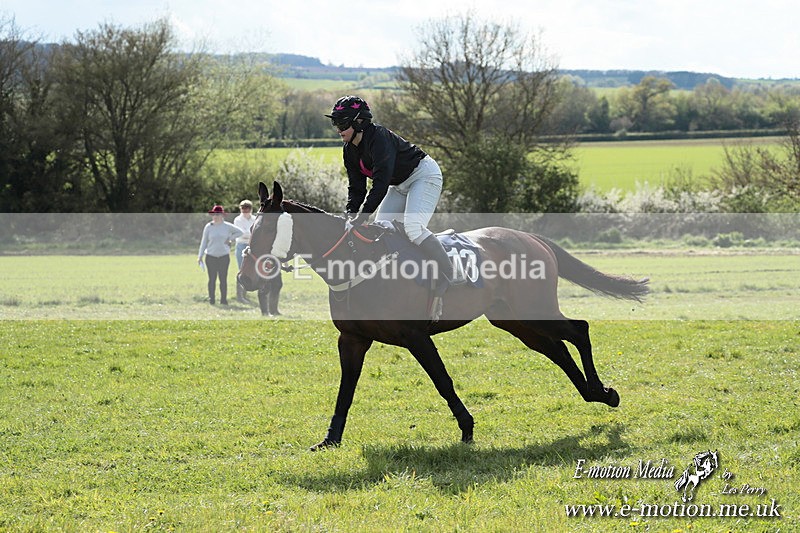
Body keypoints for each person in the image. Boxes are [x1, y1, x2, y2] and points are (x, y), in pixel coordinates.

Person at [325, 95, 457, 304]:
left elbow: (379, 184)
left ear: (359, 122)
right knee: (382, 228)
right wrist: (350, 213)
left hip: (423, 175)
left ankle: (448, 272)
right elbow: (356, 188)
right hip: (400, 185)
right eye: (335, 123)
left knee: (413, 228)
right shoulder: (349, 149)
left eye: (342, 123)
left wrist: (363, 216)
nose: (338, 129)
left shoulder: (379, 137)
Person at [198, 204, 243, 305]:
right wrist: (200, 256)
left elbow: (240, 232)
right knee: (212, 279)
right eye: (214, 214)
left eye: (218, 214)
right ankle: (212, 299)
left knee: (223, 279)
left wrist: (230, 239)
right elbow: (204, 242)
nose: (215, 216)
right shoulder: (209, 227)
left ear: (222, 215)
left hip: (223, 256)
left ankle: (223, 299)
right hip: (211, 256)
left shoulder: (227, 226)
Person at [233, 199, 255, 303]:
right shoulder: (238, 220)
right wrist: (250, 235)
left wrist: (249, 235)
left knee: (251, 270)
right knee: (242, 270)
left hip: (252, 246)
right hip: (241, 245)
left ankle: (245, 294)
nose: (245, 210)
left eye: (247, 208)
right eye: (243, 208)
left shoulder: (255, 219)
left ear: (251, 209)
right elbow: (241, 233)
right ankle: (240, 296)